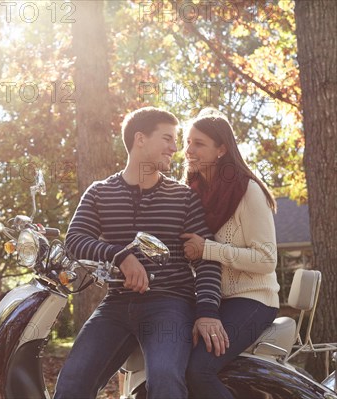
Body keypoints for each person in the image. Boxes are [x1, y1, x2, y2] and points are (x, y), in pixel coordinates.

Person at [54, 107, 226, 399]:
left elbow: (207, 258)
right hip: (116, 304)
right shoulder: (99, 192)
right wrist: (119, 256)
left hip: (170, 305)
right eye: (168, 138)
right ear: (140, 139)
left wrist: (208, 311)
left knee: (165, 381)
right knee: (71, 386)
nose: (176, 148)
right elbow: (74, 240)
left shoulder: (184, 197)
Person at [180, 108, 280, 399]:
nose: (189, 150)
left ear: (221, 149)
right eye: (187, 142)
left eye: (199, 143)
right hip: (211, 301)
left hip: (253, 299)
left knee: (198, 370)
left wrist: (206, 249)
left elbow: (266, 260)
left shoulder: (246, 190)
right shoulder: (193, 191)